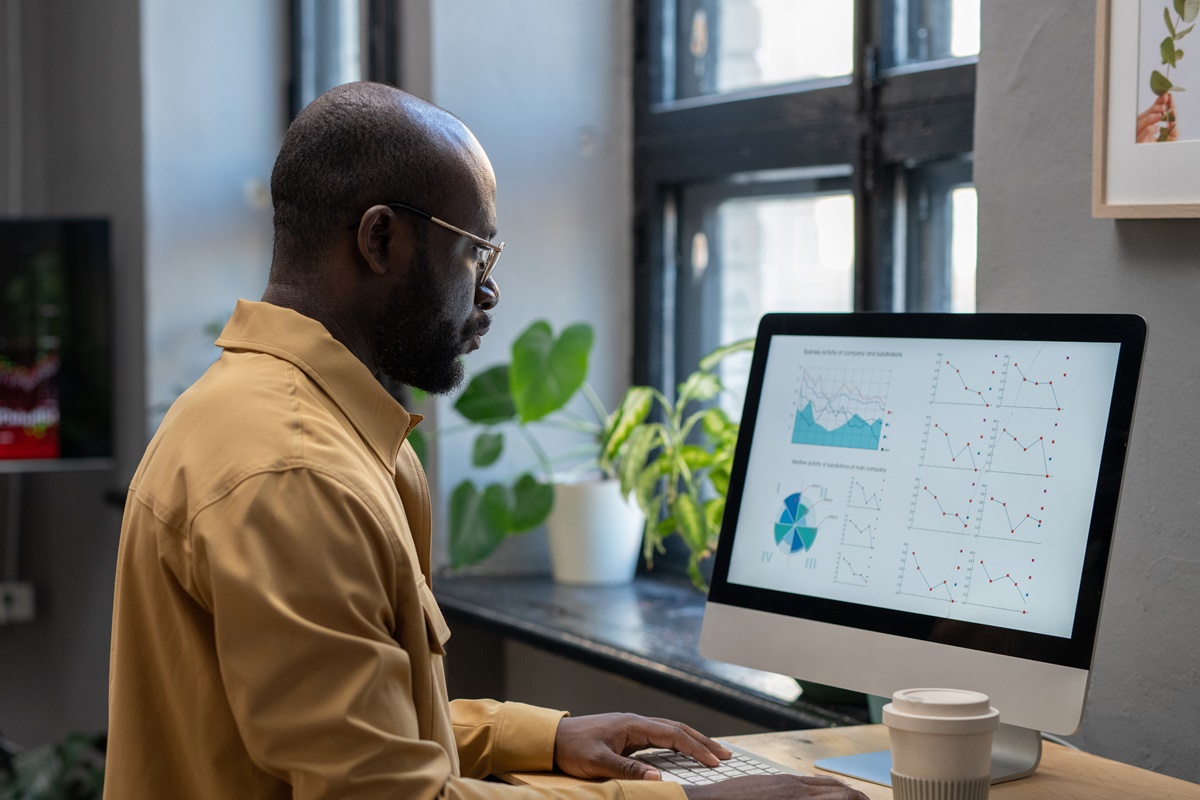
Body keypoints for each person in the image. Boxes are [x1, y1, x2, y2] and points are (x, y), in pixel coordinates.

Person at [104, 81, 866, 800]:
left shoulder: (274, 414)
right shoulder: (297, 472)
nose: (490, 290)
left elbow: (348, 731)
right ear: (379, 239)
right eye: (475, 251)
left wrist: (543, 735)